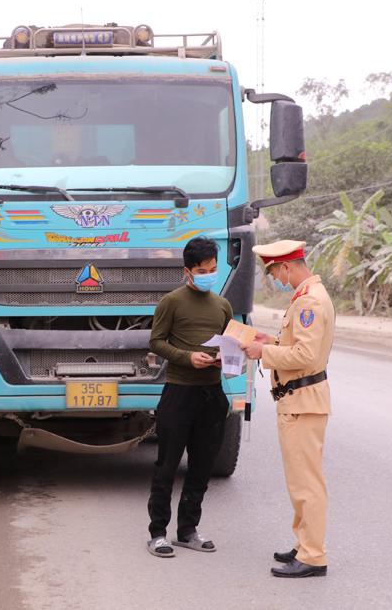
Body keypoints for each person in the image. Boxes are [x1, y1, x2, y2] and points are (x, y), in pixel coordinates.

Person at [241, 240, 334, 579]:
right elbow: (297, 347)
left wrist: (262, 353)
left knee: (306, 483)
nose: (277, 281)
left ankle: (313, 555)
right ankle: (304, 543)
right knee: (300, 482)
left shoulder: (309, 301)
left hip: (303, 401)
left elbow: (306, 357)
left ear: (287, 266)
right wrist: (272, 343)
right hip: (299, 400)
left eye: (276, 272)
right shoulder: (307, 297)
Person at [145, 236, 232, 558]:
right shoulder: (172, 302)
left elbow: (228, 342)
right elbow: (156, 341)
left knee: (201, 466)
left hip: (212, 394)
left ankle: (187, 530)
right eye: (201, 270)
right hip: (179, 392)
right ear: (187, 271)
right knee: (167, 465)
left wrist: (225, 359)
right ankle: (157, 533)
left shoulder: (222, 305)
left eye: (212, 268)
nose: (208, 274)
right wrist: (186, 357)